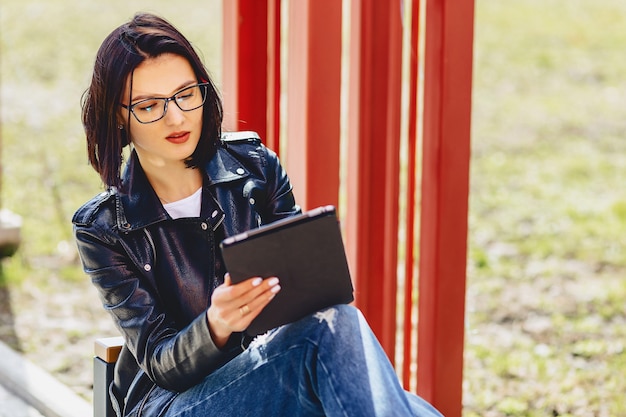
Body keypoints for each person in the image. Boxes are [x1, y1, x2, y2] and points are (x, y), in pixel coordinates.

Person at [73, 12, 443, 417]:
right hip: (173, 403)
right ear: (117, 116)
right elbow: (161, 364)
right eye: (148, 105)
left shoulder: (256, 167)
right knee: (342, 346)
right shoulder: (104, 229)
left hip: (272, 373)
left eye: (185, 94)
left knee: (339, 323)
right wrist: (217, 323)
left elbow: (310, 293)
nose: (176, 117)